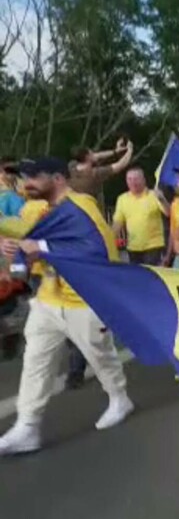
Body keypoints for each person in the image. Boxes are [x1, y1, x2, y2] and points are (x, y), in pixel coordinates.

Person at [0, 157, 134, 456]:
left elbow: (97, 249)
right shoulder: (31, 208)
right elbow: (23, 240)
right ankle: (27, 426)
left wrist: (43, 248)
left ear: (58, 178)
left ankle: (119, 398)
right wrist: (8, 246)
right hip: (48, 297)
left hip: (83, 299)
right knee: (35, 361)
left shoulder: (81, 206)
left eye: (33, 177)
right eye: (22, 178)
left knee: (100, 355)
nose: (25, 184)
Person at [112, 167, 169, 266]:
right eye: (129, 179)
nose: (133, 182)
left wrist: (162, 199)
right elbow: (118, 223)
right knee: (137, 277)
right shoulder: (122, 199)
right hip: (133, 247)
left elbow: (169, 213)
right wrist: (108, 239)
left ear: (143, 180)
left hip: (153, 246)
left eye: (136, 179)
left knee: (150, 275)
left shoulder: (154, 195)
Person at [67, 138, 134, 198]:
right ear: (87, 157)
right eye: (91, 153)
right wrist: (130, 150)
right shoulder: (95, 174)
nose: (94, 154)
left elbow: (97, 156)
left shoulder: (71, 167)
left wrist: (115, 151)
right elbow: (120, 165)